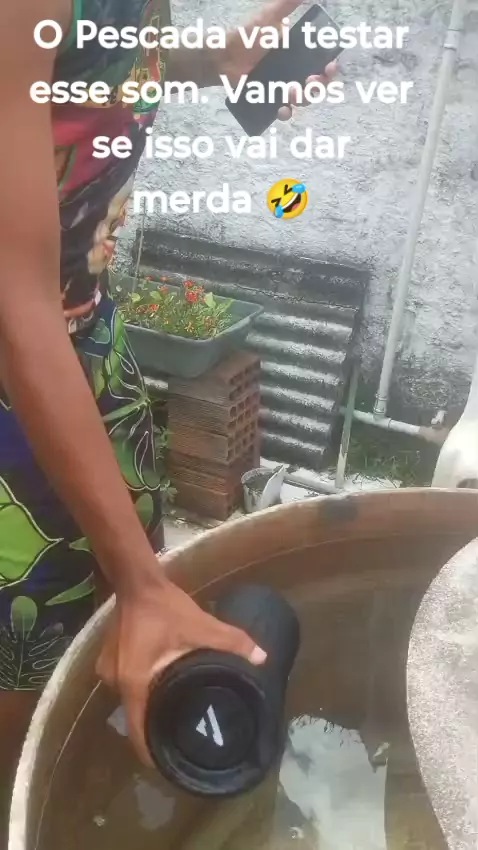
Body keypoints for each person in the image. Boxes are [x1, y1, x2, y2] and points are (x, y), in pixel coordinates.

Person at [0, 0, 336, 810]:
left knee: (131, 638)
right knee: (28, 690)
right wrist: (142, 587)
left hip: (87, 341)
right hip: (21, 367)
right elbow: (13, 305)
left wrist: (212, 60)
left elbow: (78, 67)